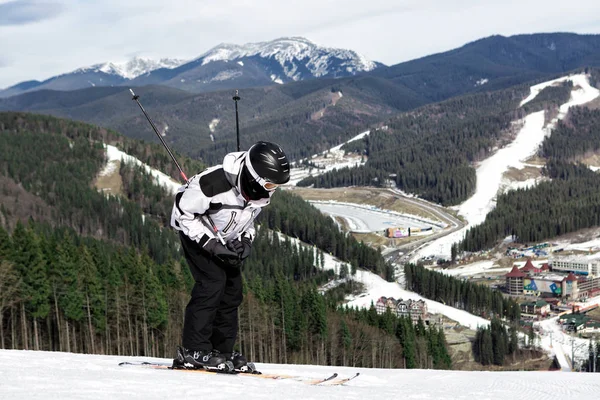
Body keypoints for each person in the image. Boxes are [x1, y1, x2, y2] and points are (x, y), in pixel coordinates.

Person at [170, 141, 290, 371]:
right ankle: (193, 350)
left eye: (276, 185)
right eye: (270, 183)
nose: (272, 189)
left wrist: (245, 241)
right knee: (212, 283)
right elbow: (181, 214)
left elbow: (246, 221)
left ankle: (220, 351)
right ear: (255, 177)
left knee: (232, 290)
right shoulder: (211, 184)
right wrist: (210, 244)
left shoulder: (257, 192)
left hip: (226, 239)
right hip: (196, 234)